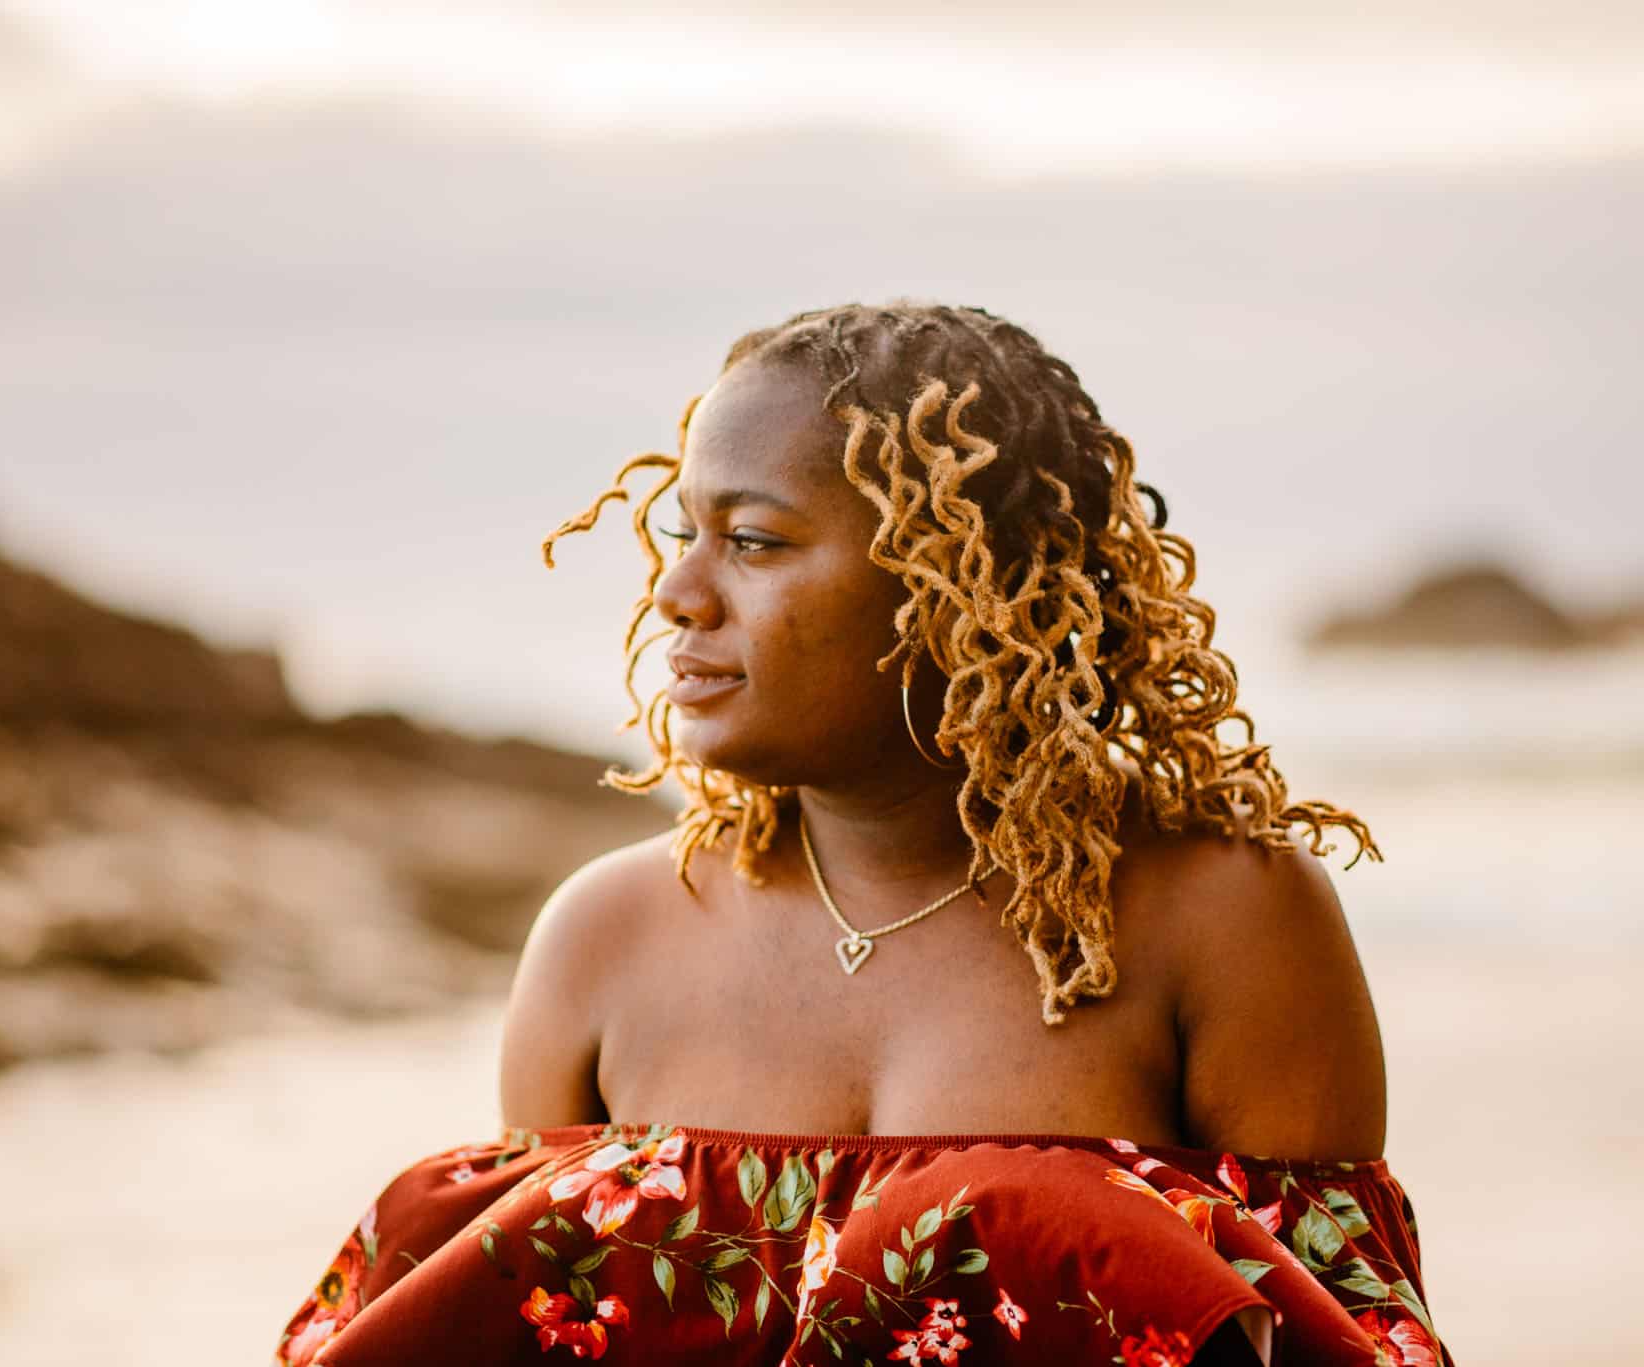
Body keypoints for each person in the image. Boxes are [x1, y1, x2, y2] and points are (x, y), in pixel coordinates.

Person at [274, 304, 1450, 1366]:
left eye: (755, 540)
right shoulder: (603, 941)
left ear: (960, 584)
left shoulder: (1221, 917)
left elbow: (1335, 1344)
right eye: (686, 530)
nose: (676, 590)